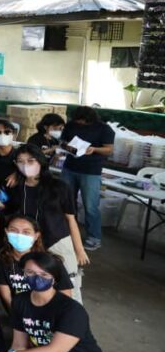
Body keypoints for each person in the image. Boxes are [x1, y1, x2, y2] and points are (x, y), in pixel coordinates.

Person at [5, 144, 88, 302]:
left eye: (31, 161)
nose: (25, 165)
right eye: (20, 161)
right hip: (29, 242)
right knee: (35, 281)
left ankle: (73, 313)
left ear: (41, 161)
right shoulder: (16, 187)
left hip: (57, 240)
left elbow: (71, 219)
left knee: (69, 281)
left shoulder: (59, 187)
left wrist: (79, 249)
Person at [58, 106, 115, 251]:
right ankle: (67, 231)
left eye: (82, 121)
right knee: (66, 202)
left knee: (90, 205)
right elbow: (62, 141)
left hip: (91, 171)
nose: (79, 123)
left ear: (89, 119)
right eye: (77, 120)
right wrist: (66, 146)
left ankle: (94, 237)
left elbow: (109, 149)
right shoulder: (71, 125)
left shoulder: (104, 129)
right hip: (70, 167)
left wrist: (94, 149)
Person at [0, 215, 74, 312]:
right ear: (6, 232)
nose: (19, 235)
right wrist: (19, 317)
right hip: (19, 312)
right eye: (13, 230)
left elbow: (65, 294)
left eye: (26, 232)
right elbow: (7, 297)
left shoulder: (52, 261)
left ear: (36, 236)